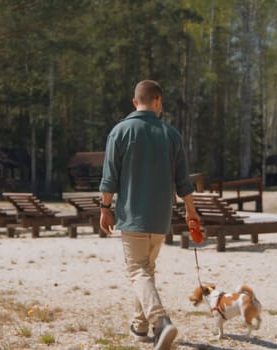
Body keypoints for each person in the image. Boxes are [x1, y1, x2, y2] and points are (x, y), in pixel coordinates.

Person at [99, 80, 199, 350]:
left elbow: (109, 179)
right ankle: (140, 325)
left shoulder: (119, 132)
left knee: (137, 271)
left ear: (135, 102)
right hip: (160, 218)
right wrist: (191, 210)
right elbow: (183, 182)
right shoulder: (171, 134)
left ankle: (160, 321)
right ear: (158, 101)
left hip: (132, 215)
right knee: (147, 269)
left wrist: (105, 208)